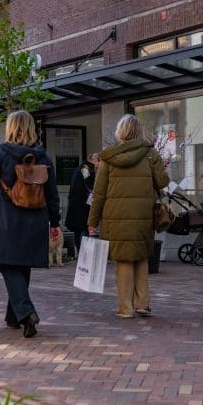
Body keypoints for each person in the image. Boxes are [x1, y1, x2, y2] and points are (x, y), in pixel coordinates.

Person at [0, 111, 60, 338]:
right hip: (36, 220)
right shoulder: (43, 156)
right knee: (22, 265)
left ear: (11, 127)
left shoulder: (0, 153)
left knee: (8, 265)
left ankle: (26, 312)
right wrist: (55, 221)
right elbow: (52, 193)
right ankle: (14, 317)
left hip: (7, 220)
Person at [87, 116, 169, 319]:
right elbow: (163, 181)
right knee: (141, 256)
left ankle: (125, 308)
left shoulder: (108, 158)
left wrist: (92, 222)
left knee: (124, 260)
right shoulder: (151, 154)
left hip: (116, 217)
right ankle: (143, 304)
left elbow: (99, 194)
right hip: (143, 215)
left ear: (121, 132)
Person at [64, 152, 99, 258]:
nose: (99, 165)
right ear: (95, 160)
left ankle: (81, 253)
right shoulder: (86, 169)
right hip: (82, 205)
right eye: (100, 162)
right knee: (84, 228)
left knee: (78, 230)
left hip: (76, 205)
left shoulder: (81, 167)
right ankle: (84, 254)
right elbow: (88, 185)